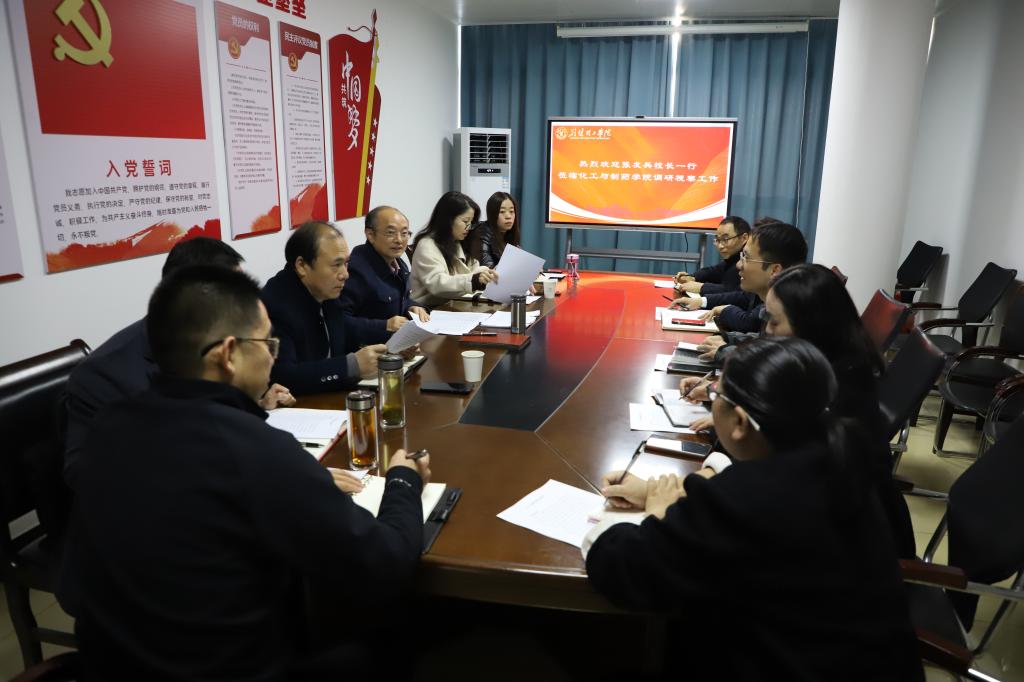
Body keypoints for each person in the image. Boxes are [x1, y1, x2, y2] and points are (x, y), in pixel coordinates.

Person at [59, 265, 430, 680]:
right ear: (228, 354)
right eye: (268, 344)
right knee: (386, 636)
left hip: (107, 667)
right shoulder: (255, 450)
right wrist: (404, 480)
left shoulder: (108, 429)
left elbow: (72, 590)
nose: (273, 357)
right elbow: (385, 563)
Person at [585, 337, 923, 681]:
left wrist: (657, 514)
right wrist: (663, 492)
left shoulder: (745, 499)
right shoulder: (842, 460)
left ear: (740, 423)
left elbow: (620, 568)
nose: (711, 399)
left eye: (716, 394)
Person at [63, 236, 294, 487]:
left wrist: (256, 403)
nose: (244, 306)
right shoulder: (102, 376)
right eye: (234, 294)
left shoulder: (221, 345)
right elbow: (84, 476)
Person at [261, 221, 388, 395]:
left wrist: (393, 342)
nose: (345, 274)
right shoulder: (275, 305)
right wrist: (350, 366)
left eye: (346, 263)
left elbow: (347, 327)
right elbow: (284, 376)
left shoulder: (325, 290)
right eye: (336, 265)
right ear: (301, 266)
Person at [672, 221, 807, 346]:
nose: (738, 265)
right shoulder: (775, 299)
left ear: (775, 270)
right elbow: (760, 340)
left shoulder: (790, 313)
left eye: (746, 257)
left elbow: (769, 351)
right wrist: (728, 339)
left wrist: (725, 350)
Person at [339, 205, 430, 339]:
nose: (399, 240)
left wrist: (412, 307)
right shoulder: (356, 270)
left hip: (395, 342)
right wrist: (384, 325)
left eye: (404, 233)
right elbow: (339, 322)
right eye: (390, 233)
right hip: (366, 347)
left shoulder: (398, 263)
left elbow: (401, 299)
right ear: (370, 235)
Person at [409, 191, 498, 307]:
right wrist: (475, 279)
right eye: (465, 221)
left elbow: (471, 271)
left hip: (452, 306)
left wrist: (487, 274)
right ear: (447, 219)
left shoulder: (457, 242)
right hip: (428, 310)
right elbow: (438, 284)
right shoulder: (427, 245)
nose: (469, 227)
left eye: (471, 222)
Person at [673, 216, 751, 295]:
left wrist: (701, 287)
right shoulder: (733, 258)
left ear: (744, 238)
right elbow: (714, 271)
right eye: (718, 240)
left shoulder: (750, 261)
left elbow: (735, 292)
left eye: (725, 239)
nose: (720, 246)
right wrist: (692, 277)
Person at [467, 191, 521, 268]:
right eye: (502, 212)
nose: (508, 216)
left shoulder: (510, 235)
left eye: (512, 211)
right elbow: (487, 268)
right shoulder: (481, 232)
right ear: (492, 214)